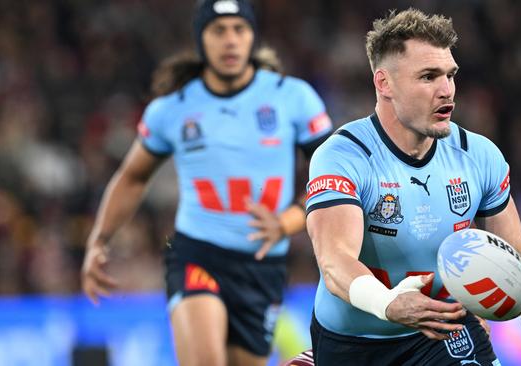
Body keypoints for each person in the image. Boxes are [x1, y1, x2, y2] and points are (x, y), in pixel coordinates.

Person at [305, 8, 521, 366]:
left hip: (443, 331)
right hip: (353, 345)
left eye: (450, 75)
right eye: (428, 76)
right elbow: (335, 259)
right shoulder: (344, 156)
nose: (446, 90)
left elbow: (520, 253)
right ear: (384, 83)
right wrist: (388, 304)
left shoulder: (477, 155)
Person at [81, 0, 333, 365]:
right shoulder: (173, 108)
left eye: (239, 29)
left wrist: (286, 223)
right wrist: (98, 240)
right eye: (218, 30)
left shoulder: (293, 97)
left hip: (263, 267)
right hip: (197, 254)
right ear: (201, 40)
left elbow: (334, 177)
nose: (230, 40)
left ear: (252, 37)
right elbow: (132, 177)